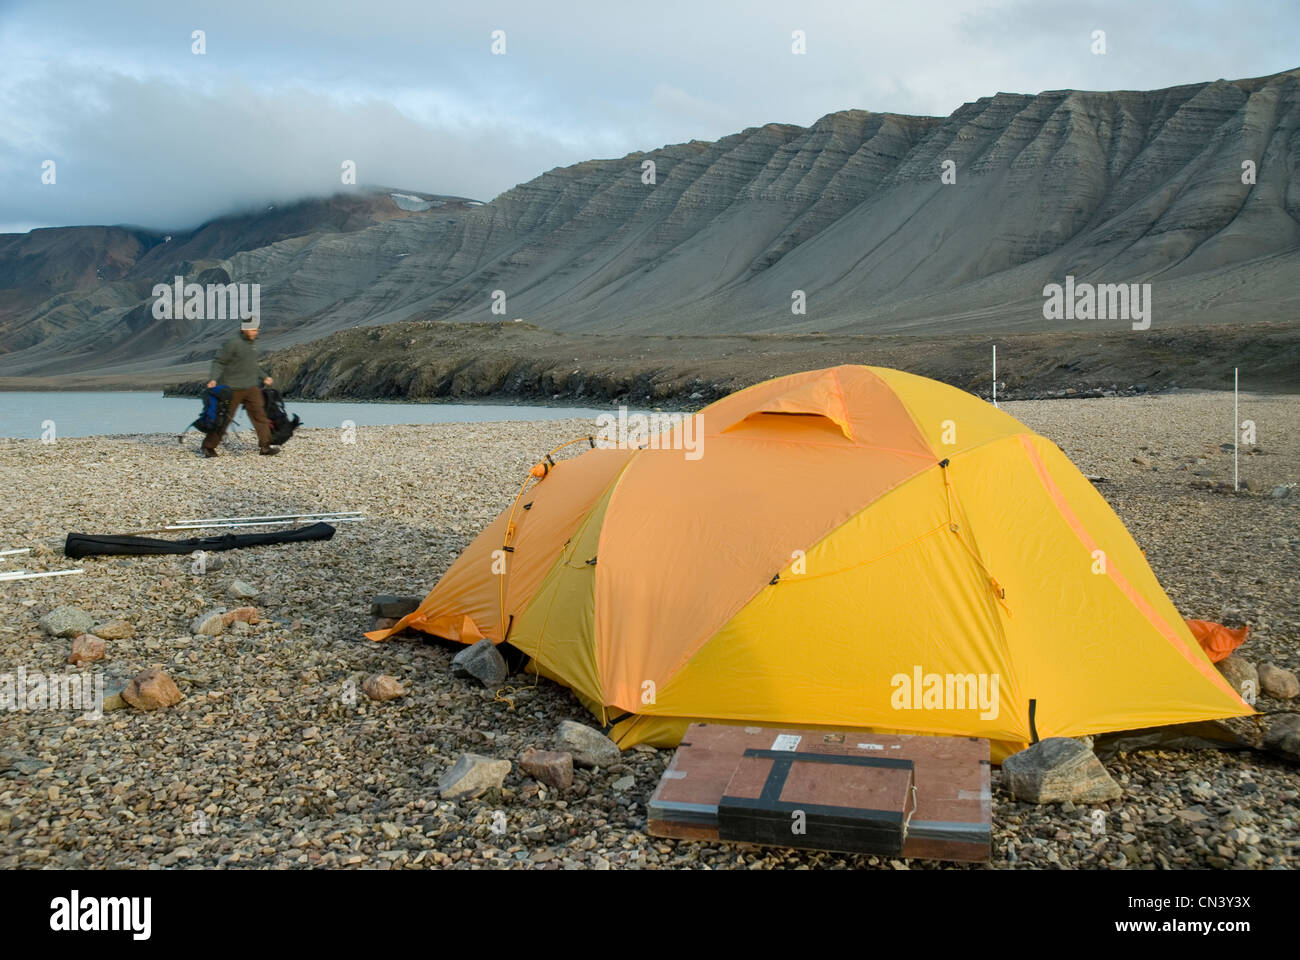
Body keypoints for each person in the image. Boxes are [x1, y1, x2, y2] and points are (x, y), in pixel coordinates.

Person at [201, 320, 279, 458]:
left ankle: (265, 447)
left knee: (260, 415)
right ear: (244, 329)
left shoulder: (252, 344)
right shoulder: (233, 343)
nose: (256, 332)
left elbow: (252, 365)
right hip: (232, 388)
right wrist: (213, 378)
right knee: (224, 418)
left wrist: (264, 377)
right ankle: (208, 447)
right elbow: (219, 361)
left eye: (256, 330)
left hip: (251, 387)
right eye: (253, 330)